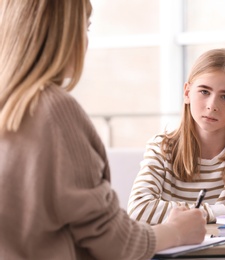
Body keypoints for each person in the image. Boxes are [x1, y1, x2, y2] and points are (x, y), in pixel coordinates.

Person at [0, 1, 206, 259]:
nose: (86, 43)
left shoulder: (11, 106)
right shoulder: (53, 111)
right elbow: (114, 241)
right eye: (84, 28)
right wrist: (176, 231)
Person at [128, 48, 225, 225]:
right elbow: (139, 210)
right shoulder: (162, 146)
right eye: (204, 92)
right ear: (187, 93)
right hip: (181, 252)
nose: (212, 105)